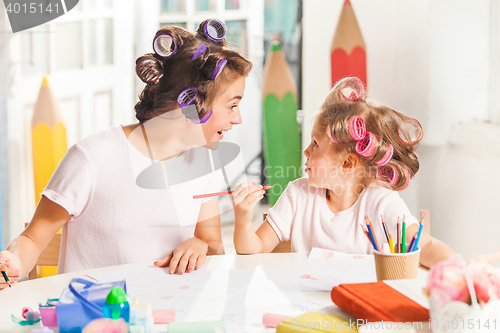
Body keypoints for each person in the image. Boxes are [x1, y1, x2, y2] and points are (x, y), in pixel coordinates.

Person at [0, 19, 252, 290]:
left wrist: (199, 244)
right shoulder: (92, 158)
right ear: (189, 105)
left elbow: (214, 246)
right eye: (232, 106)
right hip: (95, 317)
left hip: (167, 314)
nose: (238, 119)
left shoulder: (204, 162)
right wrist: (11, 263)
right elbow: (33, 239)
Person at [232, 77, 456, 269]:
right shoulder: (297, 194)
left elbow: (425, 245)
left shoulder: (381, 202)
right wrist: (243, 220)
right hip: (306, 309)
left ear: (348, 163)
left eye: (316, 144)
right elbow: (255, 250)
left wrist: (456, 268)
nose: (306, 151)